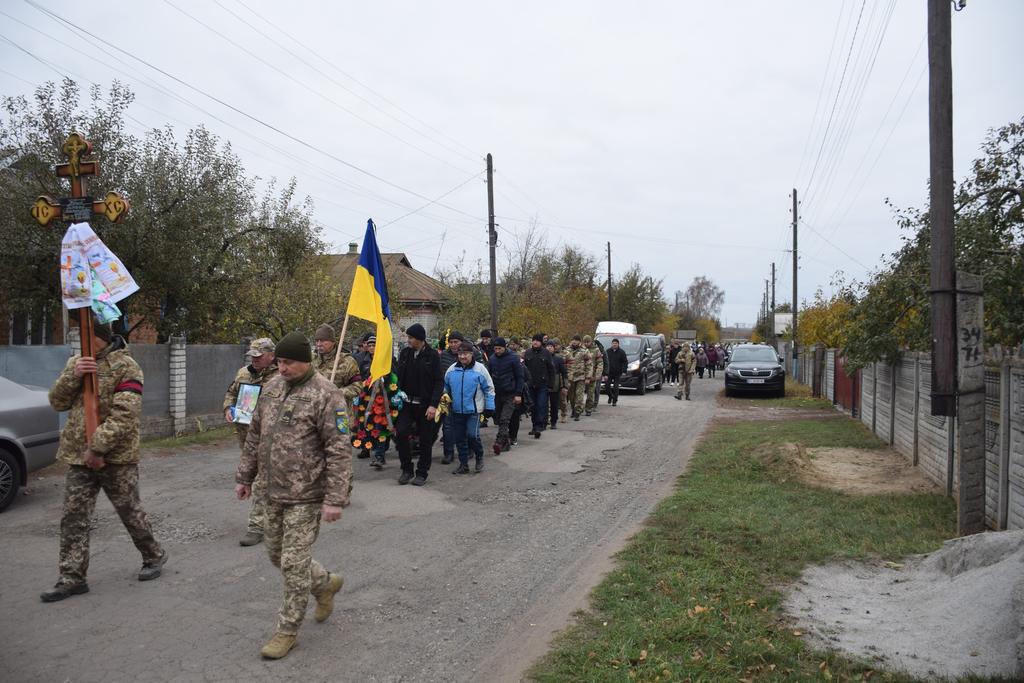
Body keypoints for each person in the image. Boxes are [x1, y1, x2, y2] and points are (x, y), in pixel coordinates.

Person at [235, 331, 350, 660]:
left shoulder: (327, 395)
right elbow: (254, 436)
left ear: (306, 361)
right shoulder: (270, 389)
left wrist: (334, 498)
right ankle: (326, 583)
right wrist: (245, 477)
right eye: (280, 362)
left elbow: (339, 451)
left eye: (289, 362)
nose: (282, 368)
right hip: (270, 491)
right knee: (276, 555)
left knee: (293, 563)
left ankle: (287, 630)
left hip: (307, 494)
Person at [41, 319, 167, 603]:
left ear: (99, 338)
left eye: (84, 337)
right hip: (78, 457)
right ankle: (72, 578)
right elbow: (56, 402)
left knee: (129, 512)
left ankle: (154, 555)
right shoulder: (77, 362)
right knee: (73, 518)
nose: (80, 343)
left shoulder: (127, 366)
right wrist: (73, 375)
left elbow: (125, 415)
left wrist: (97, 449)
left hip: (117, 458)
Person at [224, 337, 279, 546]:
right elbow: (231, 393)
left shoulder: (281, 378)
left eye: (259, 356)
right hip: (246, 436)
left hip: (270, 437)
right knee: (260, 478)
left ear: (271, 355)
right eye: (252, 356)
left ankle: (256, 526)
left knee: (261, 480)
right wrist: (228, 408)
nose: (254, 360)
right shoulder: (243, 373)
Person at [394, 323, 443, 486]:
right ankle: (406, 469)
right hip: (406, 404)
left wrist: (433, 405)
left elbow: (438, 382)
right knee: (401, 433)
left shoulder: (432, 356)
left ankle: (422, 472)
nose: (408, 340)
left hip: (425, 405)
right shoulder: (405, 353)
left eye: (411, 338)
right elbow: (398, 376)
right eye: (408, 337)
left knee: (425, 439)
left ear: (420, 339)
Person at [444, 342, 495, 474]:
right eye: (460, 354)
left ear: (471, 354)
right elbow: (445, 388)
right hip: (456, 410)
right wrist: (443, 401)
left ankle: (479, 456)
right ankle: (463, 464)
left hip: (474, 410)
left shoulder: (480, 369)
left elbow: (489, 388)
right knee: (460, 438)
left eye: (465, 354)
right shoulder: (451, 370)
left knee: (472, 435)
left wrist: (489, 406)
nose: (462, 356)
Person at [356, 335, 397, 469]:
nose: (372, 348)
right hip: (366, 399)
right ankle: (367, 448)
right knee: (366, 426)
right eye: (370, 345)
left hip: (382, 400)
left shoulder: (386, 360)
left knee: (380, 428)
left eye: (374, 345)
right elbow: (361, 377)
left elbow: (393, 377)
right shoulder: (364, 360)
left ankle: (380, 456)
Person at [488, 336, 524, 454]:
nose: (497, 351)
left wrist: (518, 394)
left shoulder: (513, 358)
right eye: (495, 349)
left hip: (511, 393)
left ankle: (499, 441)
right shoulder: (492, 359)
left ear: (504, 347)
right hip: (497, 393)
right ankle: (506, 442)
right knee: (498, 418)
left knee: (505, 419)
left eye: (499, 348)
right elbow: (488, 376)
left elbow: (520, 377)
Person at [312, 324, 363, 402]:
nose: (319, 344)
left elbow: (357, 386)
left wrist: (336, 393)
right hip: (313, 409)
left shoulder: (347, 361)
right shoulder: (310, 359)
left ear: (332, 342)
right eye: (317, 341)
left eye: (322, 341)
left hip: (337, 409)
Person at [437, 331, 464, 464]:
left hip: (465, 396)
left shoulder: (469, 354)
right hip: (446, 396)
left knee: (463, 425)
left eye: (456, 342)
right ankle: (448, 453)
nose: (453, 345)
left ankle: (466, 450)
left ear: (461, 342)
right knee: (447, 425)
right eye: (451, 342)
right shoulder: (443, 356)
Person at [523, 333, 554, 438]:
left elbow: (551, 369)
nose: (535, 342)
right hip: (530, 385)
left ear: (541, 342)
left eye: (537, 340)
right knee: (533, 407)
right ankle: (534, 426)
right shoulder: (527, 353)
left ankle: (540, 426)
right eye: (534, 340)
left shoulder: (546, 353)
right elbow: (523, 369)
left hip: (542, 384)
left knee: (541, 405)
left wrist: (551, 383)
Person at [564, 335, 591, 421]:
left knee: (579, 395)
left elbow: (589, 364)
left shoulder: (584, 351)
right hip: (570, 377)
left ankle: (577, 412)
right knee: (571, 396)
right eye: (573, 340)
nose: (574, 342)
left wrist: (588, 377)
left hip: (581, 376)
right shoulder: (567, 350)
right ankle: (573, 409)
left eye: (576, 340)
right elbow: (563, 363)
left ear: (579, 342)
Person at [545, 339, 567, 429]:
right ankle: (544, 420)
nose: (549, 348)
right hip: (544, 384)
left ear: (554, 348)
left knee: (554, 405)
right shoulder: (542, 358)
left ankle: (553, 421)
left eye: (551, 346)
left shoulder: (558, 359)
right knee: (544, 404)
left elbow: (564, 373)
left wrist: (564, 386)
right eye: (548, 346)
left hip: (555, 385)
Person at [604, 338, 629, 406]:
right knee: (607, 386)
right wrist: (604, 372)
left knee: (616, 387)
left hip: (618, 373)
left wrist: (624, 370)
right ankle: (610, 396)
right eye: (613, 343)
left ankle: (614, 400)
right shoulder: (607, 351)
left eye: (616, 343)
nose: (614, 344)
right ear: (611, 344)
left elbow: (625, 362)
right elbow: (605, 362)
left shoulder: (621, 352)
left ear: (618, 344)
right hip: (609, 372)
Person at [585, 336, 605, 416]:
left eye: (588, 342)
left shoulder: (596, 350)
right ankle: (576, 409)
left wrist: (598, 374)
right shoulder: (582, 350)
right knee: (577, 394)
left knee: (590, 393)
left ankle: (588, 409)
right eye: (585, 342)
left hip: (592, 375)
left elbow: (600, 362)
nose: (586, 344)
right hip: (581, 375)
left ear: (591, 342)